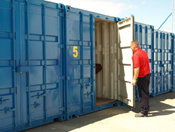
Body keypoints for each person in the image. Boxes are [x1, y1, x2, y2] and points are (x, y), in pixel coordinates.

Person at [130, 40, 151, 117]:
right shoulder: (144, 52)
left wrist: (134, 79)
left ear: (134, 47)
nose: (131, 48)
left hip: (142, 76)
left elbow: (137, 68)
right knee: (146, 92)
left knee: (142, 94)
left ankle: (144, 111)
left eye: (131, 47)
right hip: (147, 75)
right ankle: (146, 108)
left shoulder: (136, 55)